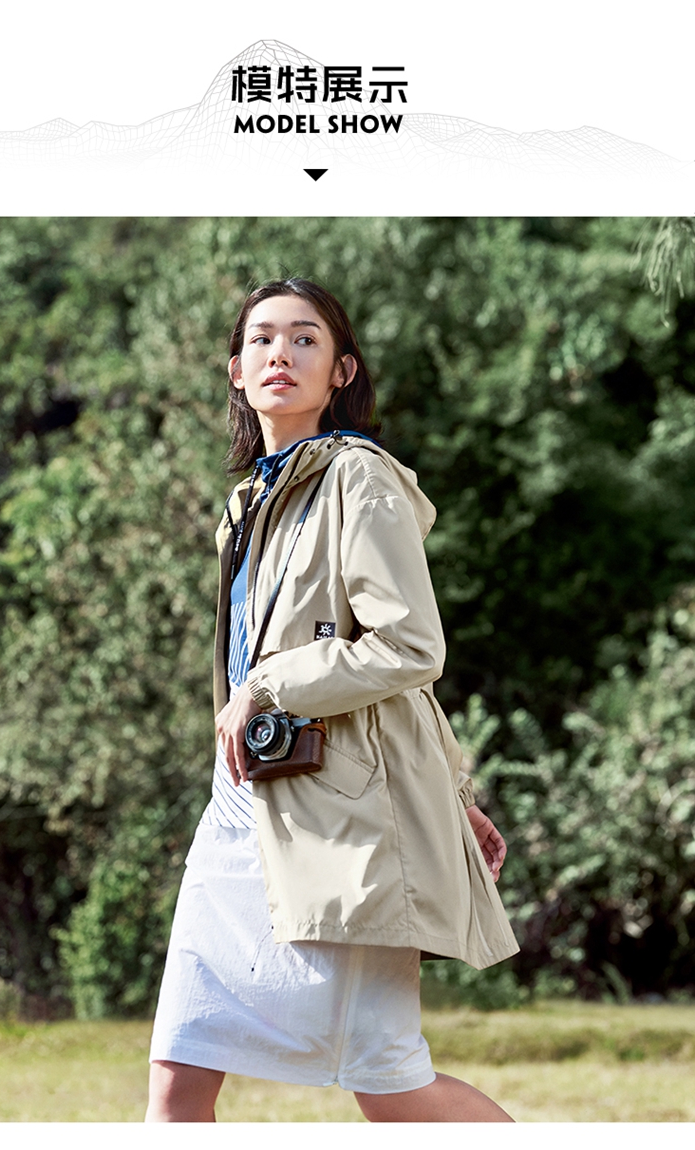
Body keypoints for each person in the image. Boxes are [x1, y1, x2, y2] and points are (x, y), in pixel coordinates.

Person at [146, 278, 519, 1123]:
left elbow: (409, 648)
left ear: (340, 370)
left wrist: (269, 685)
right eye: (261, 339)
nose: (280, 353)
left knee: (388, 1083)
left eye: (305, 339)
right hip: (238, 803)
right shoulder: (249, 503)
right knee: (176, 1078)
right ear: (235, 370)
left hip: (336, 817)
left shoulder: (359, 478)